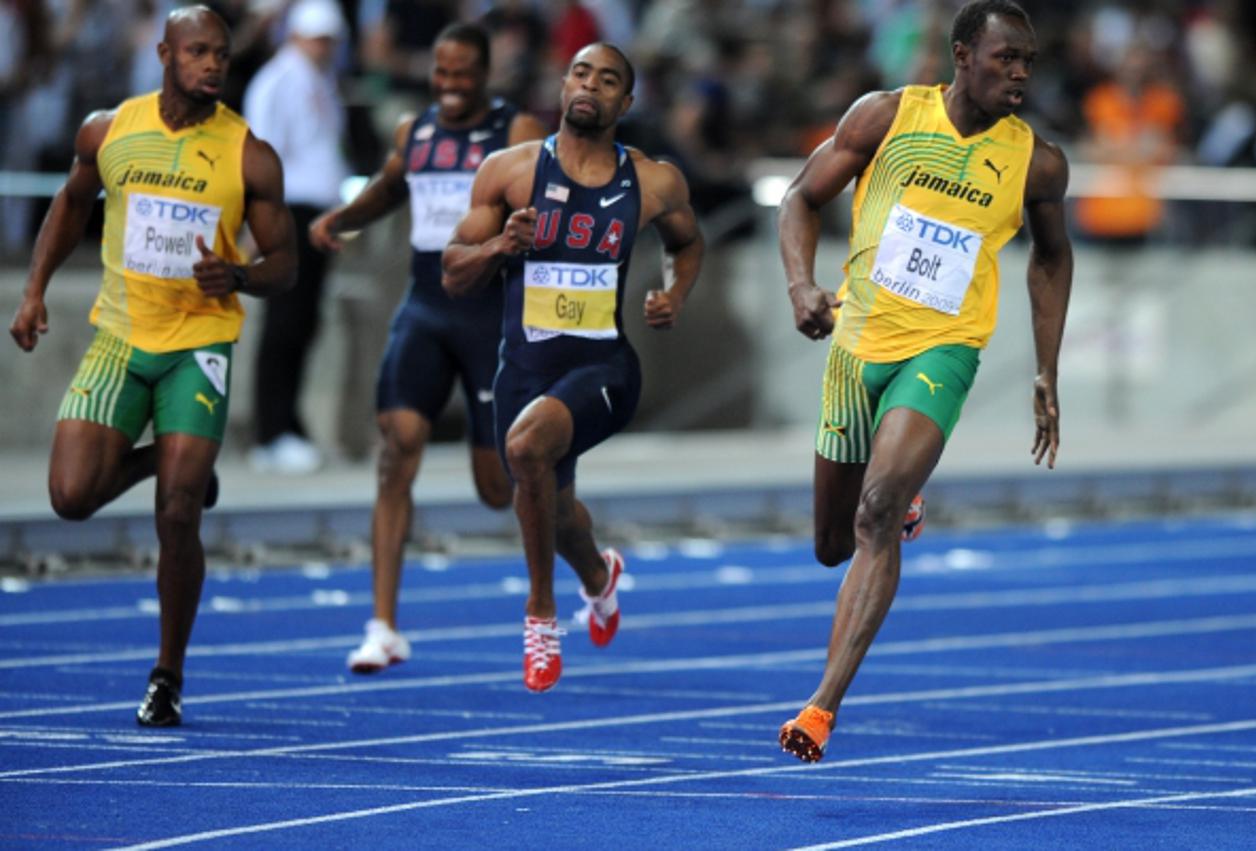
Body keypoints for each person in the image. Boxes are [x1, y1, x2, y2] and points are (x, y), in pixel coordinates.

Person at [775, 0, 1072, 762]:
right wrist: (802, 286)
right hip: (856, 345)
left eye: (1028, 63)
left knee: (875, 514)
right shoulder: (885, 119)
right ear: (964, 53)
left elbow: (1050, 256)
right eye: (1006, 58)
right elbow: (801, 198)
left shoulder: (1036, 160)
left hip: (943, 348)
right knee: (831, 544)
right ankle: (895, 490)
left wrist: (1046, 365)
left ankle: (821, 706)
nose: (1020, 74)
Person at [7, 5, 296, 726]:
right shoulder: (109, 130)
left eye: (221, 56)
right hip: (121, 337)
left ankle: (167, 673)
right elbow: (72, 205)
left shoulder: (248, 154)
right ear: (165, 53)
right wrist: (35, 289)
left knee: (177, 514)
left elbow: (286, 263)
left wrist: (240, 275)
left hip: (199, 345)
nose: (211, 66)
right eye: (197, 52)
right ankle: (175, 465)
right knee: (70, 497)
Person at [442, 42, 703, 692]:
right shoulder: (509, 171)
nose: (592, 86)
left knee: (527, 447)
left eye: (609, 79)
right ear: (563, 86)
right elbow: (452, 271)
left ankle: (540, 614)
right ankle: (598, 577)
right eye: (582, 73)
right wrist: (502, 245)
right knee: (552, 511)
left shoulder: (651, 180)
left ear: (626, 101)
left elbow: (689, 243)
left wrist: (673, 294)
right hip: (523, 371)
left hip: (605, 369)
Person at [309, 22, 545, 673]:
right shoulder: (414, 131)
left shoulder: (516, 132)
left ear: (485, 71)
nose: (448, 85)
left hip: (489, 315)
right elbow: (389, 188)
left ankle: (581, 552)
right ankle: (383, 625)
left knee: (498, 486)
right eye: (440, 72)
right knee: (397, 449)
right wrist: (340, 219)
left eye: (461, 72)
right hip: (425, 306)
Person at [243, 0, 350, 474]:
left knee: (304, 323)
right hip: (288, 213)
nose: (325, 46)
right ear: (297, 35)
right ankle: (271, 434)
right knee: (285, 323)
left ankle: (290, 424)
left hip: (317, 216)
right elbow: (263, 153)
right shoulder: (278, 80)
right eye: (318, 37)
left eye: (330, 39)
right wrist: (257, 224)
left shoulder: (320, 81)